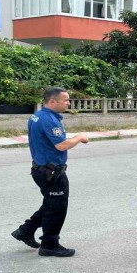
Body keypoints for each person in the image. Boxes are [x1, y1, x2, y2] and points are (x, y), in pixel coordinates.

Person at [11, 87, 89, 257]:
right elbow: (61, 145)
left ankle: (26, 230)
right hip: (51, 173)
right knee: (57, 208)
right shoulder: (49, 120)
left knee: (51, 204)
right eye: (66, 100)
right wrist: (79, 137)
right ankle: (49, 245)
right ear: (53, 101)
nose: (69, 103)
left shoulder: (37, 115)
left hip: (42, 169)